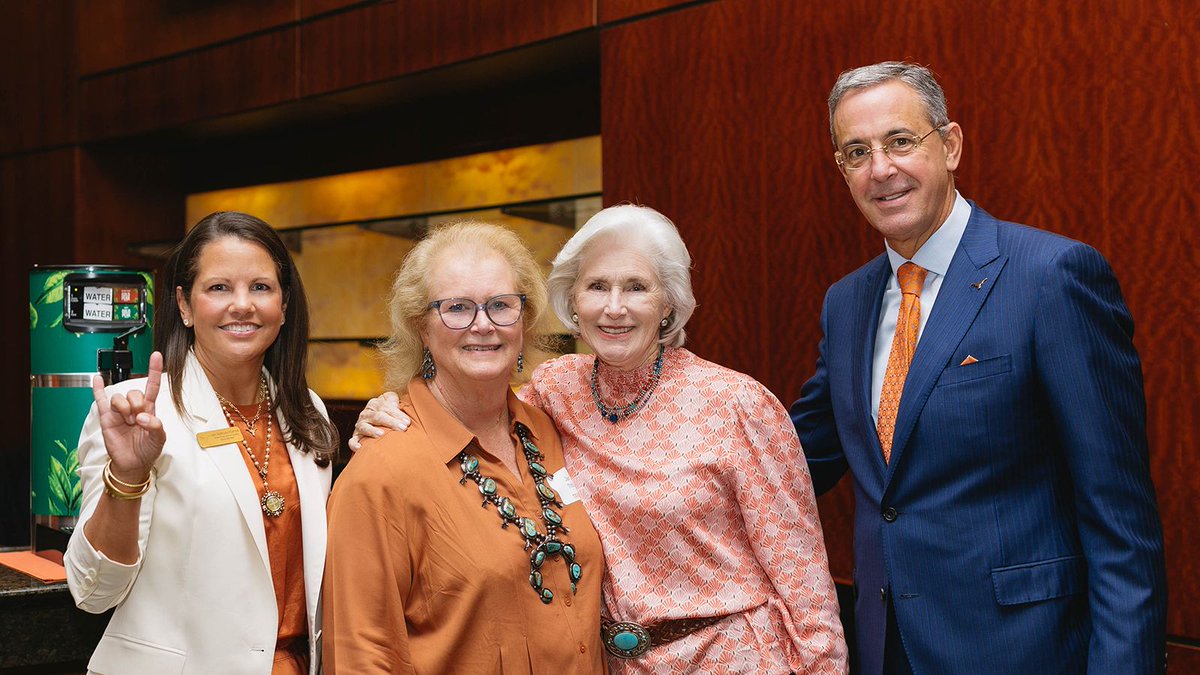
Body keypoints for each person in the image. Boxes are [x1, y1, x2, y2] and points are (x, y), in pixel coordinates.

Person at [353, 206, 848, 673]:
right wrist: (391, 408)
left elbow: (802, 576)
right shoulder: (554, 393)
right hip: (611, 662)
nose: (615, 308)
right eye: (597, 287)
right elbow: (465, 395)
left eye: (636, 287)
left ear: (669, 302)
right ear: (572, 302)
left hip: (731, 658)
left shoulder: (738, 405)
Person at [790, 61, 1167, 674]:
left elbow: (1121, 521)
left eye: (900, 141)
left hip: (1026, 652)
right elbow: (794, 457)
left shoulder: (1051, 278)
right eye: (856, 152)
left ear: (951, 144)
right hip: (888, 651)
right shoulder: (847, 303)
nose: (880, 169)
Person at [322, 222, 607, 673]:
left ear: (524, 318)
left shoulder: (549, 430)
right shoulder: (380, 474)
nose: (483, 325)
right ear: (422, 326)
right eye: (457, 308)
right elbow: (361, 654)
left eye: (500, 305)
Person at [65, 211, 338, 674]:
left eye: (261, 287)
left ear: (285, 304)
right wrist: (127, 476)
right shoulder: (136, 412)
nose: (242, 305)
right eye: (218, 288)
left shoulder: (307, 410)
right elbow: (94, 592)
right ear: (185, 306)